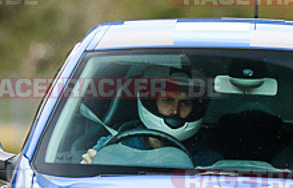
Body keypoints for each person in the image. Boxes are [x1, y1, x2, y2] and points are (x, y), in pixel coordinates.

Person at [80, 68, 217, 165]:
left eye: (185, 103)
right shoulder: (113, 146)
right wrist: (89, 166)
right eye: (167, 100)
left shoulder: (207, 159)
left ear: (195, 109)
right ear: (151, 102)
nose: (175, 111)